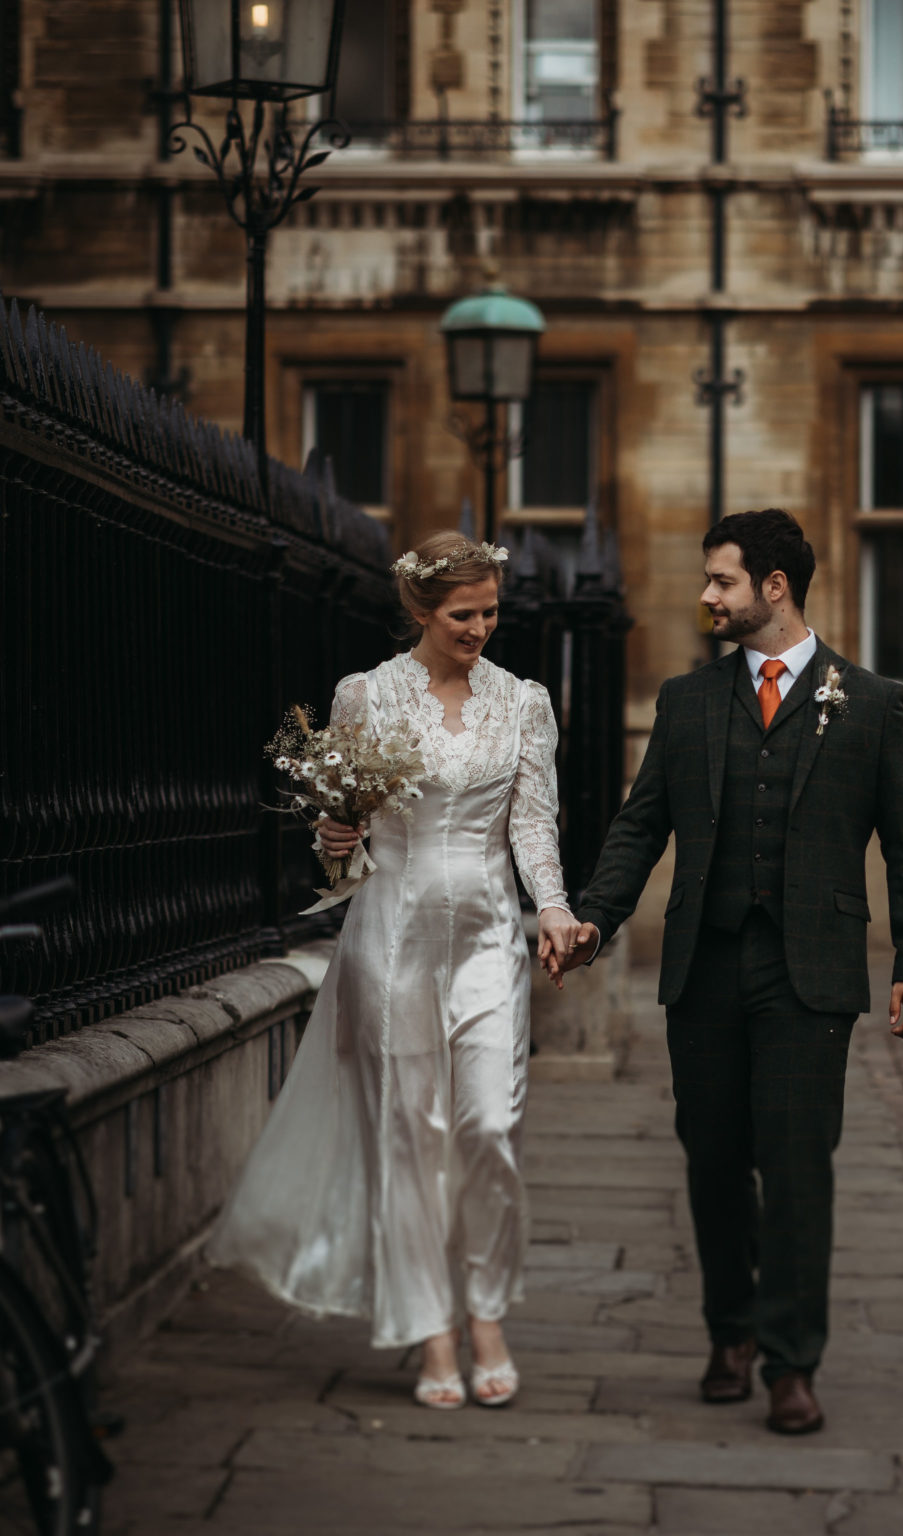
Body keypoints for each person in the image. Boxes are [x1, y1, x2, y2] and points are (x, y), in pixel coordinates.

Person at [562, 508, 903, 1434]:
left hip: (810, 972)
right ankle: (729, 1331)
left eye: (721, 581)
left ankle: (791, 1363)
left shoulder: (872, 702)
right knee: (716, 1161)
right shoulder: (688, 703)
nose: (705, 597)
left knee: (800, 1166)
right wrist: (593, 918)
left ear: (774, 588)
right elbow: (641, 824)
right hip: (706, 966)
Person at [208, 532, 579, 1410]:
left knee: (489, 1127)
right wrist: (334, 841)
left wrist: (554, 907)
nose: (480, 628)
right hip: (394, 939)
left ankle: (487, 1307)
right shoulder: (364, 696)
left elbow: (532, 825)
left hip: (489, 938)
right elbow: (341, 843)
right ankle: (433, 1330)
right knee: (410, 1137)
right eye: (463, 614)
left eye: (490, 611)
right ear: (419, 610)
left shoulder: (524, 702)